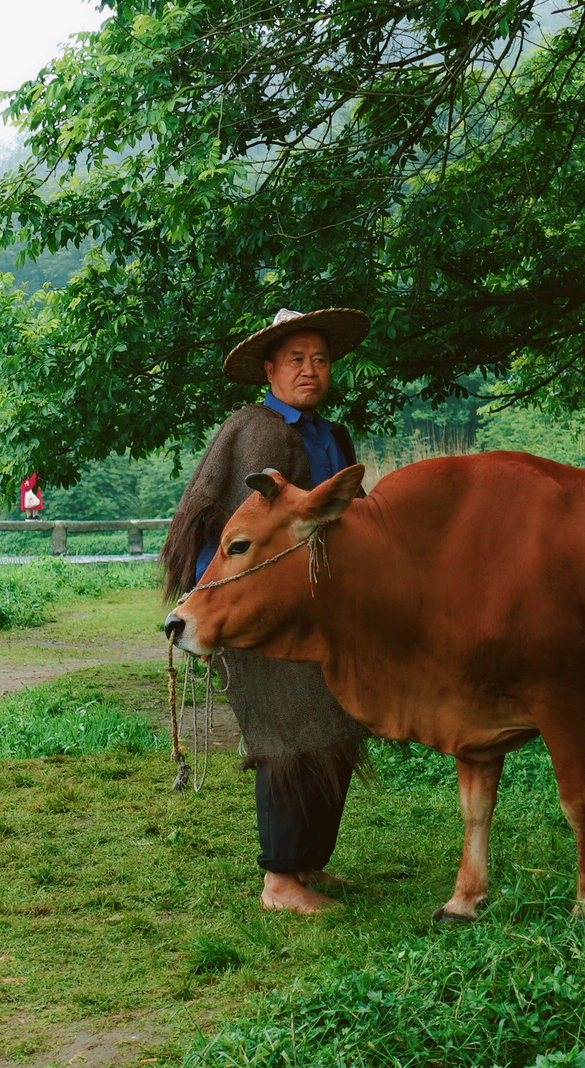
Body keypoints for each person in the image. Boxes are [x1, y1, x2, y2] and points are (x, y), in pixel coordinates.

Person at [161, 307, 371, 913]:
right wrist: (213, 607)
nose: (310, 370)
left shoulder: (333, 436)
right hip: (261, 609)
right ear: (270, 369)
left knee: (333, 725)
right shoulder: (256, 430)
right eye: (296, 359)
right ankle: (279, 881)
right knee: (285, 729)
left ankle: (308, 862)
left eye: (320, 360)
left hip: (323, 610)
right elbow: (229, 530)